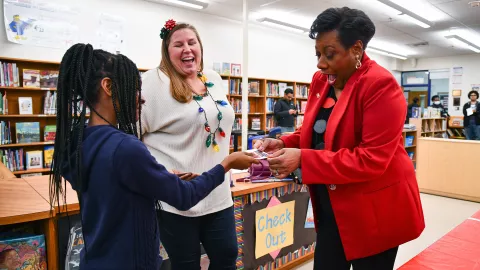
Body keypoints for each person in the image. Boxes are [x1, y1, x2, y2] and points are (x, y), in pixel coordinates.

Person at [49, 43, 258, 270]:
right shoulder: (126, 147)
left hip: (96, 260)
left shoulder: (79, 142)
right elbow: (185, 196)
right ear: (108, 87)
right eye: (134, 88)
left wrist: (158, 175)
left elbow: (113, 183)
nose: (142, 98)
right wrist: (227, 164)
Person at [254, 7, 425, 270]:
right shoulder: (322, 80)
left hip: (373, 210)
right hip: (332, 205)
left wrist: (303, 159)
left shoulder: (381, 86)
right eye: (318, 54)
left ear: (357, 49)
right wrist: (286, 142)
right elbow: (316, 131)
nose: (321, 63)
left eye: (329, 54)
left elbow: (371, 159)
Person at [140, 20, 239, 269]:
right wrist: (157, 173)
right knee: (186, 265)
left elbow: (220, 126)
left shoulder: (213, 78)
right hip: (176, 201)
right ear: (166, 50)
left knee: (227, 257)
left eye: (192, 42)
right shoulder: (152, 83)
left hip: (218, 194)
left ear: (200, 48)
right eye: (178, 44)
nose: (187, 49)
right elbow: (131, 137)